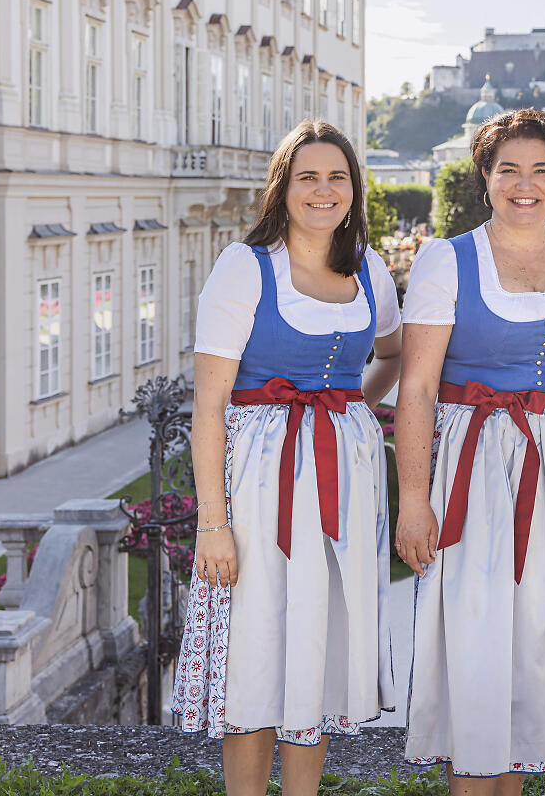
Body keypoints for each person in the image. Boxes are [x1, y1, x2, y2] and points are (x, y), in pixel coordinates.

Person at [171, 121, 402, 796]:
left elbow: (392, 354)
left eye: (338, 177)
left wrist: (350, 408)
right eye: (308, 177)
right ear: (284, 186)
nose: (324, 190)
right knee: (256, 647)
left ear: (354, 190)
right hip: (259, 482)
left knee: (318, 648)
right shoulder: (245, 267)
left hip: (344, 480)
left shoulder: (369, 266)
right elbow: (209, 403)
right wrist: (213, 523)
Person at [394, 108, 545, 794]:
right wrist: (411, 499)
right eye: (509, 169)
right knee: (478, 635)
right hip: (478, 459)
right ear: (485, 177)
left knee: (538, 644)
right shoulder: (446, 259)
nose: (525, 184)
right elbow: (418, 387)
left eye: (541, 171)